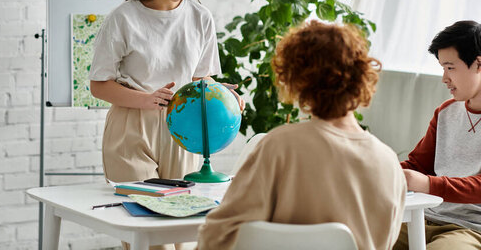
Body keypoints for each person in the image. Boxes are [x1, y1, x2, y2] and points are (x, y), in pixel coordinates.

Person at [89, 0, 243, 250]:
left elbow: (202, 80)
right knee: (148, 236)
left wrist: (222, 95)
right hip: (132, 129)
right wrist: (146, 99)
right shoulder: (123, 18)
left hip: (182, 127)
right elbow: (98, 85)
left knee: (184, 235)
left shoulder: (200, 17)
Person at [198, 20, 407, 250]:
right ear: (361, 78)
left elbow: (218, 235)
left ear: (297, 80)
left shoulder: (280, 146)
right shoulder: (389, 164)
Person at [394, 20, 481, 250]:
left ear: (479, 64)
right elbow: (417, 165)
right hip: (423, 217)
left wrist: (428, 185)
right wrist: (378, 168)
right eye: (443, 68)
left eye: (450, 67)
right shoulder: (446, 112)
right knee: (358, 236)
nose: (444, 78)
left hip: (471, 228)